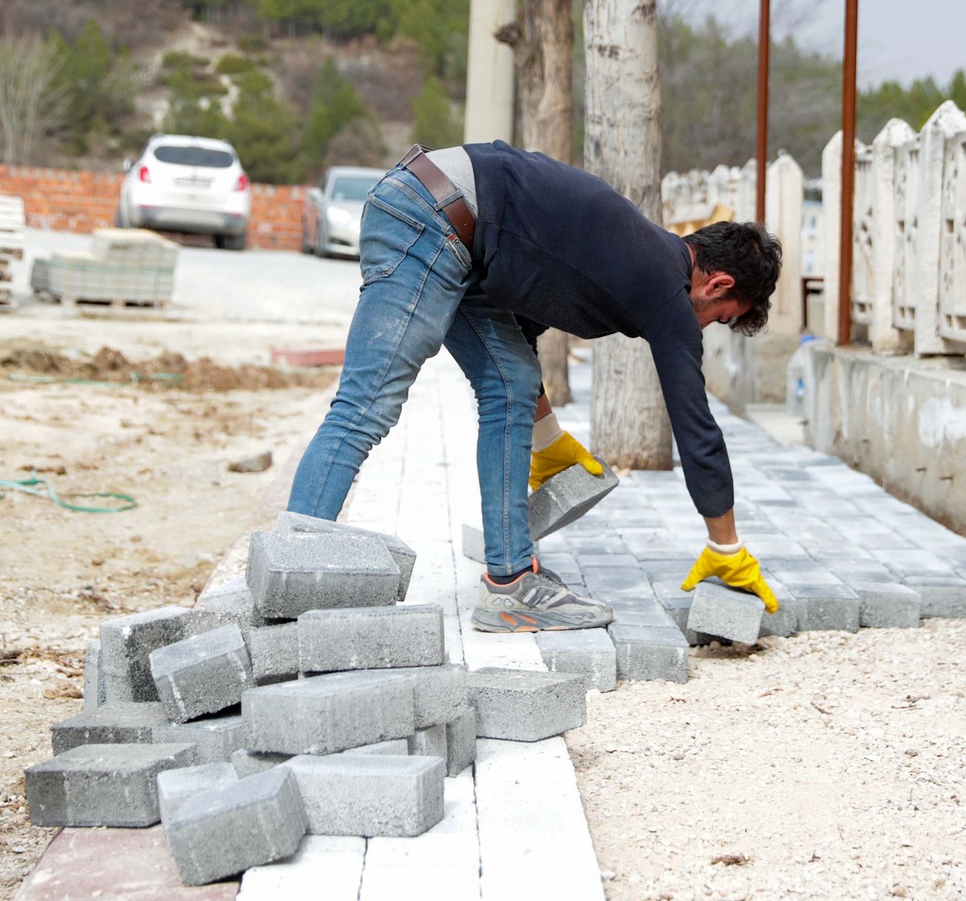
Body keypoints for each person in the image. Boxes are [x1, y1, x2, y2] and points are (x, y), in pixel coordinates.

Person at [288, 141, 782, 630]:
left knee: (511, 385)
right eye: (720, 318)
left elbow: (522, 325)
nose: (704, 328)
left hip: (458, 234)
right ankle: (289, 578)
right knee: (365, 405)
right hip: (431, 216)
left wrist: (547, 443)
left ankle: (511, 584)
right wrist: (726, 547)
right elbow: (695, 425)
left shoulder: (630, 255)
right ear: (717, 285)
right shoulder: (663, 285)